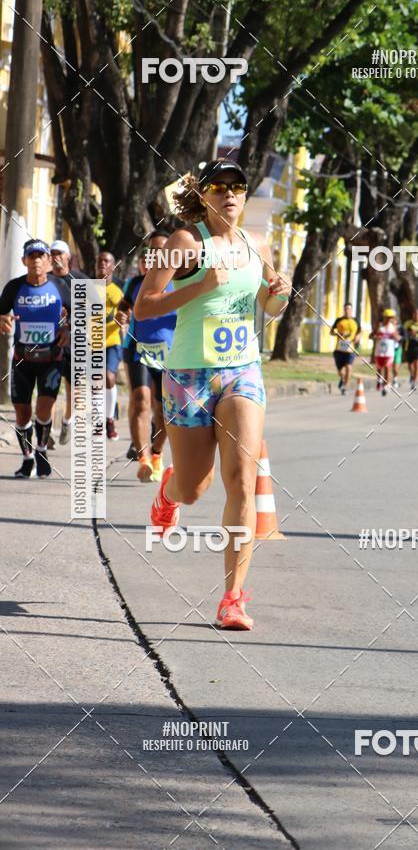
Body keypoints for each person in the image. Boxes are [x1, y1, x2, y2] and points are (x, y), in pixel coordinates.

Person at [134, 158, 291, 631]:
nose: (229, 193)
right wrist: (200, 285)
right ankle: (169, 491)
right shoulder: (185, 242)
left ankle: (233, 598)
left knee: (242, 478)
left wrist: (280, 293)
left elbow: (269, 303)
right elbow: (144, 307)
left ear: (245, 196)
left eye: (237, 186)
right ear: (203, 195)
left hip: (242, 371)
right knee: (195, 486)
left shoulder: (255, 243)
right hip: (187, 373)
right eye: (219, 186)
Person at [0, 239, 70, 477]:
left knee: (43, 410)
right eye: (32, 256)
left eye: (41, 256)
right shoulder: (14, 287)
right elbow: (1, 313)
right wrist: (4, 320)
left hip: (51, 359)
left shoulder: (60, 286)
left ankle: (41, 451)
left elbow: (80, 315)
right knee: (21, 412)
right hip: (22, 359)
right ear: (24, 261)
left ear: (49, 261)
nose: (37, 260)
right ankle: (27, 458)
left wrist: (67, 328)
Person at [117, 233, 175, 482]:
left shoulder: (181, 282)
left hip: (171, 353)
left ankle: (157, 454)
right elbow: (123, 306)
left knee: (164, 412)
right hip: (137, 347)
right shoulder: (136, 282)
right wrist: (121, 316)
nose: (156, 254)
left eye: (161, 250)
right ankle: (143, 459)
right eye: (152, 250)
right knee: (141, 400)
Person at [50, 239, 89, 444]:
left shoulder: (80, 280)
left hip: (76, 343)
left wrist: (72, 320)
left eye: (59, 253)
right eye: (52, 253)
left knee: (72, 387)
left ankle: (67, 420)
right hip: (50, 342)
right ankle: (46, 429)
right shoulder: (44, 280)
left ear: (68, 257)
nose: (55, 257)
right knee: (49, 386)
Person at [96, 251, 124, 440]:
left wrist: (123, 320)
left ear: (113, 266)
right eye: (100, 261)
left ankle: (109, 419)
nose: (103, 264)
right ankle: (99, 423)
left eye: (107, 261)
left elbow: (125, 316)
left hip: (113, 341)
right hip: (92, 344)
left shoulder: (118, 291)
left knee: (108, 377)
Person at [330, 302, 361, 395]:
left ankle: (345, 387)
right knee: (340, 371)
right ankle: (342, 379)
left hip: (350, 349)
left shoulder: (355, 320)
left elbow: (360, 331)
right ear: (344, 310)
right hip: (339, 349)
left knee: (349, 367)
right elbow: (331, 332)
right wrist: (338, 334)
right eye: (345, 309)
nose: (347, 310)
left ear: (351, 310)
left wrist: (357, 337)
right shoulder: (339, 320)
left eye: (349, 309)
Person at [370, 309, 400, 396]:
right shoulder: (379, 327)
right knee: (379, 368)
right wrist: (376, 336)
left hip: (389, 352)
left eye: (391, 318)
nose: (389, 319)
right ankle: (379, 380)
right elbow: (371, 336)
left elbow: (398, 338)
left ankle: (386, 386)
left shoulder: (393, 328)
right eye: (388, 318)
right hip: (379, 352)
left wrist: (394, 336)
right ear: (384, 318)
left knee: (387, 367)